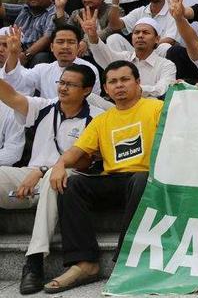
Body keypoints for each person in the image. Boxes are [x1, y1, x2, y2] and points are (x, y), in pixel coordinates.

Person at [45, 61, 163, 292]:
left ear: (138, 83)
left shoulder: (156, 108)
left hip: (148, 182)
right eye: (113, 82)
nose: (119, 86)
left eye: (125, 80)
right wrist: (59, 164)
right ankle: (85, 263)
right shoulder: (102, 120)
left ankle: (126, 261)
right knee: (73, 182)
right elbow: (77, 152)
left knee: (141, 178)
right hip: (115, 181)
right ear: (106, 89)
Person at [0, 66, 102, 294]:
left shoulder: (97, 116)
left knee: (55, 178)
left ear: (86, 90)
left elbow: (87, 161)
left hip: (65, 180)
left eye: (71, 84)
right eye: (61, 82)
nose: (63, 88)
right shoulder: (43, 107)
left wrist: (45, 170)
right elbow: (10, 95)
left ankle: (34, 260)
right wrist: (37, 171)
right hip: (29, 177)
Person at [82, 11, 176, 99]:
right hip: (121, 106)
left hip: (151, 108)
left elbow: (163, 89)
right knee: (89, 97)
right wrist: (93, 36)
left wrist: (132, 88)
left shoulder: (166, 65)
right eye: (136, 32)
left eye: (145, 33)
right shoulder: (124, 58)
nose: (140, 36)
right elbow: (103, 54)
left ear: (157, 39)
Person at [4, 25, 101, 99]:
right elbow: (16, 83)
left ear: (78, 47)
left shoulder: (89, 69)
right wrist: (13, 54)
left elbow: (93, 100)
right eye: (60, 42)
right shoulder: (42, 69)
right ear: (51, 47)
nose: (65, 46)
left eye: (71, 42)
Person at [108, 0, 178, 54]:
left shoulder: (174, 11)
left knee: (165, 47)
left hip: (158, 56)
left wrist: (146, 47)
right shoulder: (139, 12)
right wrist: (115, 0)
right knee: (113, 39)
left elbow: (171, 40)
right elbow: (114, 25)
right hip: (139, 54)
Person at [5, 0, 58, 65]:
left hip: (39, 54)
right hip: (18, 49)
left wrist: (25, 55)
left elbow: (48, 37)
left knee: (41, 57)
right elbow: (2, 9)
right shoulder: (24, 9)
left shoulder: (55, 13)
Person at [53, 0, 121, 44]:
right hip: (83, 53)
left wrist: (86, 42)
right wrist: (60, 8)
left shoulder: (115, 10)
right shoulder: (77, 13)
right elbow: (66, 33)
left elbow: (110, 30)